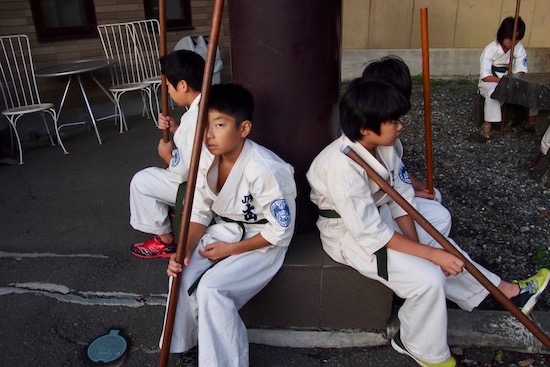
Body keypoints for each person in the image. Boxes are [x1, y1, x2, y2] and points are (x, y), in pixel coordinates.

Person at [306, 78, 549, 367]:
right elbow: (371, 234)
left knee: (436, 231)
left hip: (378, 215)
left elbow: (401, 201)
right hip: (348, 235)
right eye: (393, 121)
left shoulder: (386, 146)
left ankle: (502, 291)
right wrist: (431, 256)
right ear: (365, 128)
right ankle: (417, 344)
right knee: (429, 278)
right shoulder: (340, 167)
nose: (400, 126)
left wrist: (423, 247)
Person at [163, 83, 297, 366]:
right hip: (225, 229)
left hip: (261, 241)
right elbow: (199, 210)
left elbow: (280, 230)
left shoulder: (266, 169)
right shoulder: (206, 156)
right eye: (206, 125)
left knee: (213, 288)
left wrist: (232, 250)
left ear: (244, 128)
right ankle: (188, 346)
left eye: (219, 124)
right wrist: (183, 251)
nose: (209, 135)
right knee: (182, 276)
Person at [129, 50, 208, 259]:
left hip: (202, 192)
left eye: (169, 86)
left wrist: (168, 154)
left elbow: (181, 173)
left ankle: (165, 240)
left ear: (182, 85)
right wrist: (176, 130)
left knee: (142, 181)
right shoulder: (210, 104)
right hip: (220, 183)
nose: (168, 91)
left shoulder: (192, 122)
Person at [361, 56, 450, 237]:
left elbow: (396, 169)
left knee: (435, 197)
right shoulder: (365, 137)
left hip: (391, 195)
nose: (399, 125)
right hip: (373, 206)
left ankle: (421, 249)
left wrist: (416, 187)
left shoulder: (389, 133)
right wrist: (408, 195)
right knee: (439, 215)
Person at [478, 16, 538, 139]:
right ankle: (487, 125)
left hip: (511, 79)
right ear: (502, 34)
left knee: (534, 89)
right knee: (493, 93)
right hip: (492, 81)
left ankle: (531, 121)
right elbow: (485, 76)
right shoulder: (490, 49)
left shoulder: (518, 48)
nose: (513, 42)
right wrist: (504, 81)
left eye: (516, 39)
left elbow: (521, 69)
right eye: (510, 38)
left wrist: (515, 79)